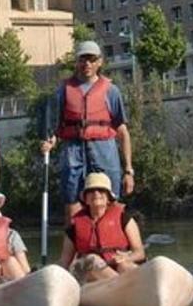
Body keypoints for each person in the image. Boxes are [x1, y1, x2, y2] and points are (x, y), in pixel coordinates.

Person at [40, 40, 135, 220]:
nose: (87, 64)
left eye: (92, 59)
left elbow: (122, 131)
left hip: (104, 149)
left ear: (100, 62)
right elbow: (56, 126)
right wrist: (50, 141)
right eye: (83, 59)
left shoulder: (111, 91)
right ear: (76, 62)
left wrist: (129, 170)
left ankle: (112, 241)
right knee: (72, 199)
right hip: (73, 150)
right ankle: (75, 244)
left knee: (111, 197)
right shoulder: (63, 91)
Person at [58, 172, 146, 282]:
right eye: (91, 191)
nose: (96, 193)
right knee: (92, 260)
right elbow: (64, 261)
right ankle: (123, 285)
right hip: (88, 274)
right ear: (85, 199)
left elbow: (140, 253)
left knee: (125, 266)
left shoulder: (124, 218)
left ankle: (133, 286)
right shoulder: (74, 225)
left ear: (108, 197)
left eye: (101, 190)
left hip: (116, 268)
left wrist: (126, 257)